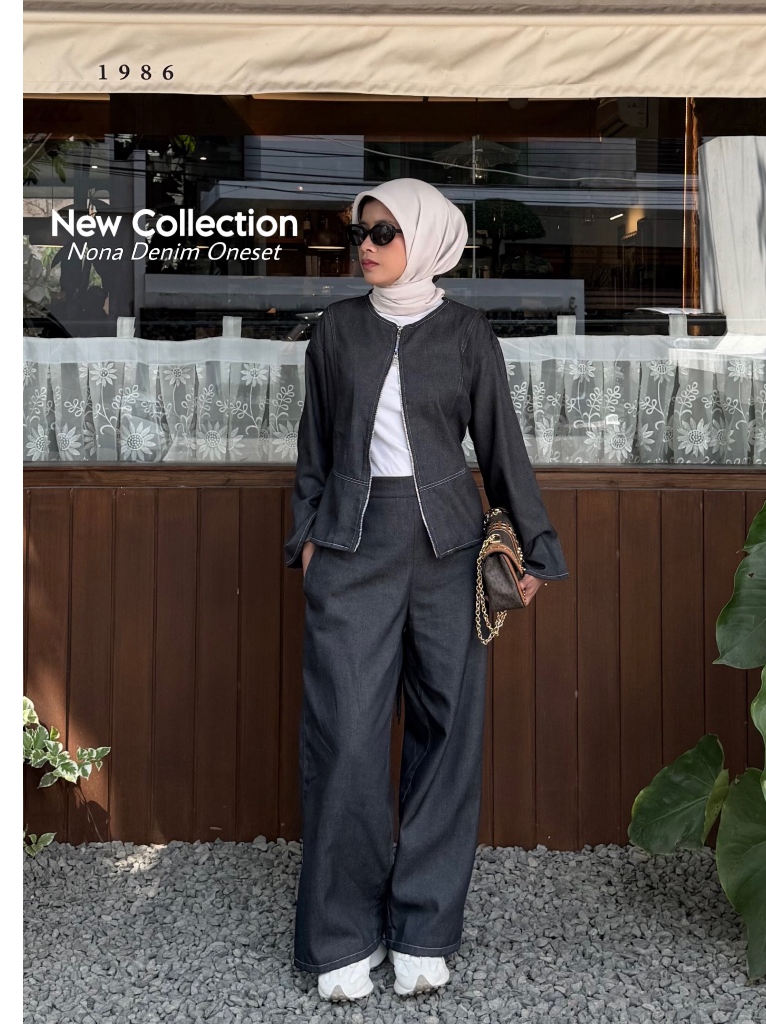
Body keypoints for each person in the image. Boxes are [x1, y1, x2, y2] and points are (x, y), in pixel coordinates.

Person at [284, 178, 569, 1001]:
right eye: (360, 234)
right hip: (351, 546)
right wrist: (307, 540)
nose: (367, 247)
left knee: (447, 737)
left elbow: (503, 445)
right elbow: (313, 447)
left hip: (450, 550)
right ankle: (342, 936)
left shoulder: (468, 333)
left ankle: (422, 929)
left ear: (428, 238)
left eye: (384, 232)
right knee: (346, 736)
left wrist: (536, 548)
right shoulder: (336, 331)